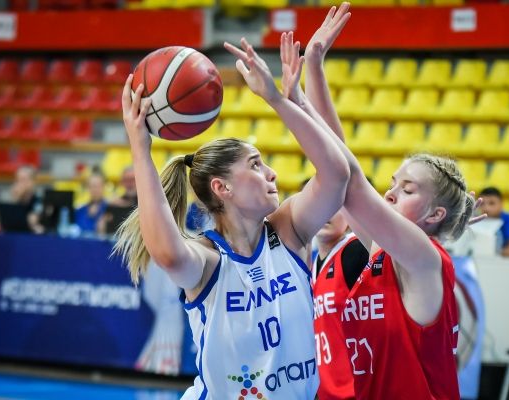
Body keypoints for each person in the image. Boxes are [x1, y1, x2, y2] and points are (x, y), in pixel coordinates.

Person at [113, 34, 350, 399]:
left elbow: (337, 175)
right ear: (222, 188)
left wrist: (278, 99)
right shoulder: (208, 260)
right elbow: (168, 253)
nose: (272, 174)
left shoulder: (288, 232)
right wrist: (140, 148)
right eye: (256, 165)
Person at [288, 6, 478, 397]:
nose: (390, 193)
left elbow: (350, 178)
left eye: (408, 189)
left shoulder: (424, 258)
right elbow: (339, 171)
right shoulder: (384, 252)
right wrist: (315, 67)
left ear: (435, 213)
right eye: (393, 183)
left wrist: (292, 100)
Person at [312, 210, 368, 400]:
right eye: (321, 205)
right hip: (325, 391)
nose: (326, 212)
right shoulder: (311, 265)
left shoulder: (357, 250)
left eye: (336, 206)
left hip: (356, 391)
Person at [74, 170, 108, 235]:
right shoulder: (80, 211)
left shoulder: (109, 209)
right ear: (87, 188)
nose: (95, 189)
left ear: (104, 187)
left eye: (98, 186)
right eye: (92, 186)